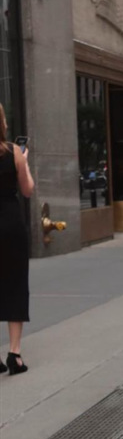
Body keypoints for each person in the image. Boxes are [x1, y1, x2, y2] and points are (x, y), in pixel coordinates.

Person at [0, 103, 35, 375]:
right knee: (15, 283)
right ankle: (14, 354)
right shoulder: (14, 152)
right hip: (10, 224)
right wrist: (25, 162)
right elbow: (27, 190)